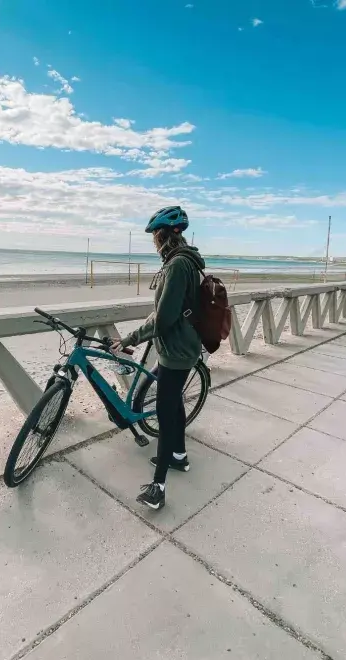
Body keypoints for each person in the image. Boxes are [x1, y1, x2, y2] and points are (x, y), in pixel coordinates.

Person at [111, 206, 204, 510]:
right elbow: (165, 308)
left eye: (156, 235)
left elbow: (163, 318)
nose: (154, 241)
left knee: (165, 414)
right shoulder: (181, 261)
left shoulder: (178, 266)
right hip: (177, 347)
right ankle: (179, 457)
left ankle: (158, 487)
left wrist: (132, 337)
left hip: (177, 351)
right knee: (174, 402)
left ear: (167, 234)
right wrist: (136, 334)